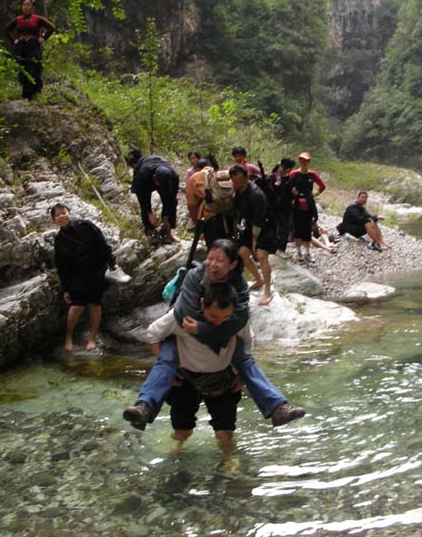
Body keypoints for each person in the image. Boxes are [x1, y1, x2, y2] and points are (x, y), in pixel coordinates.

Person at [123, 239, 305, 430]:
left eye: (220, 260)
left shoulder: (238, 283)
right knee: (166, 362)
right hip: (186, 333)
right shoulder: (195, 276)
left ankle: (277, 407)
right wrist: (217, 332)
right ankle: (144, 407)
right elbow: (186, 313)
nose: (213, 264)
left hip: (220, 332)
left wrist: (204, 330)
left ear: (232, 265)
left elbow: (240, 318)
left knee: (245, 360)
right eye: (210, 258)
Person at [147, 283, 247, 443]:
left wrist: (242, 376)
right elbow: (153, 334)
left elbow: (248, 346)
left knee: (225, 433)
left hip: (221, 377)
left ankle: (229, 461)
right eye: (213, 316)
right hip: (184, 379)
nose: (219, 323)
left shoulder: (238, 321)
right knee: (182, 431)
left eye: (225, 318)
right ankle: (177, 451)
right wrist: (167, 372)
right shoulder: (181, 316)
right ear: (201, 304)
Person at [51, 203, 119, 351]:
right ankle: (68, 337)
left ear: (69, 213)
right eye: (57, 215)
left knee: (95, 304)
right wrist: (65, 289)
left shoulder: (86, 225)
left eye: (64, 212)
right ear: (54, 221)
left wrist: (112, 263)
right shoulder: (59, 240)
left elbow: (102, 244)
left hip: (97, 271)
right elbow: (61, 267)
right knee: (76, 306)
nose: (62, 216)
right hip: (77, 276)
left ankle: (92, 339)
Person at [230, 164, 277, 306]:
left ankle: (267, 291)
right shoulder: (239, 191)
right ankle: (258, 279)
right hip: (251, 224)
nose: (236, 184)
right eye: (234, 181)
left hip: (267, 225)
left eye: (239, 180)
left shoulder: (256, 195)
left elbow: (260, 220)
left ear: (247, 177)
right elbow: (238, 213)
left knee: (261, 255)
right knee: (242, 254)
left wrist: (255, 241)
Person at [3, 0, 56, 100]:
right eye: (24, 5)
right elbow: (6, 30)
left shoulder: (38, 19)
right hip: (21, 47)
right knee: (22, 69)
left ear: (33, 8)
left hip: (33, 46)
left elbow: (52, 27)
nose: (26, 7)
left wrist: (43, 38)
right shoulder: (18, 19)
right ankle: (25, 93)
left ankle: (32, 94)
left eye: (28, 5)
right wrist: (14, 40)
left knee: (33, 68)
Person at [126, 148, 180, 244]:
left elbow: (172, 200)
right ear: (155, 179)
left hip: (160, 166)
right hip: (145, 174)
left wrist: (166, 220)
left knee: (170, 202)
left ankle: (167, 232)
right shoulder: (142, 176)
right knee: (145, 207)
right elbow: (143, 200)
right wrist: (150, 214)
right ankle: (151, 233)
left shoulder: (173, 177)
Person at [186, 156, 235, 247]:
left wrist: (195, 220)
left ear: (198, 168)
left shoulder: (194, 178)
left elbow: (191, 204)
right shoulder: (221, 175)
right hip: (229, 215)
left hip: (210, 217)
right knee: (230, 247)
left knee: (214, 247)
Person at [289, 152, 326, 264]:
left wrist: (315, 194)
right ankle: (299, 253)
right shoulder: (294, 174)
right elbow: (288, 184)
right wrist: (292, 192)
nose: (303, 162)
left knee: (307, 229)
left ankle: (307, 253)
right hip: (296, 205)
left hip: (308, 204)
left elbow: (322, 186)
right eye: (301, 160)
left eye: (305, 160)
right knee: (297, 229)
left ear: (309, 161)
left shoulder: (312, 174)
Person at [271, 158, 296, 258]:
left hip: (286, 208)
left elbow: (293, 193)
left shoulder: (289, 179)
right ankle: (273, 248)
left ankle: (281, 249)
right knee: (274, 228)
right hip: (274, 207)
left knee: (284, 229)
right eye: (289, 168)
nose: (289, 170)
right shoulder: (274, 176)